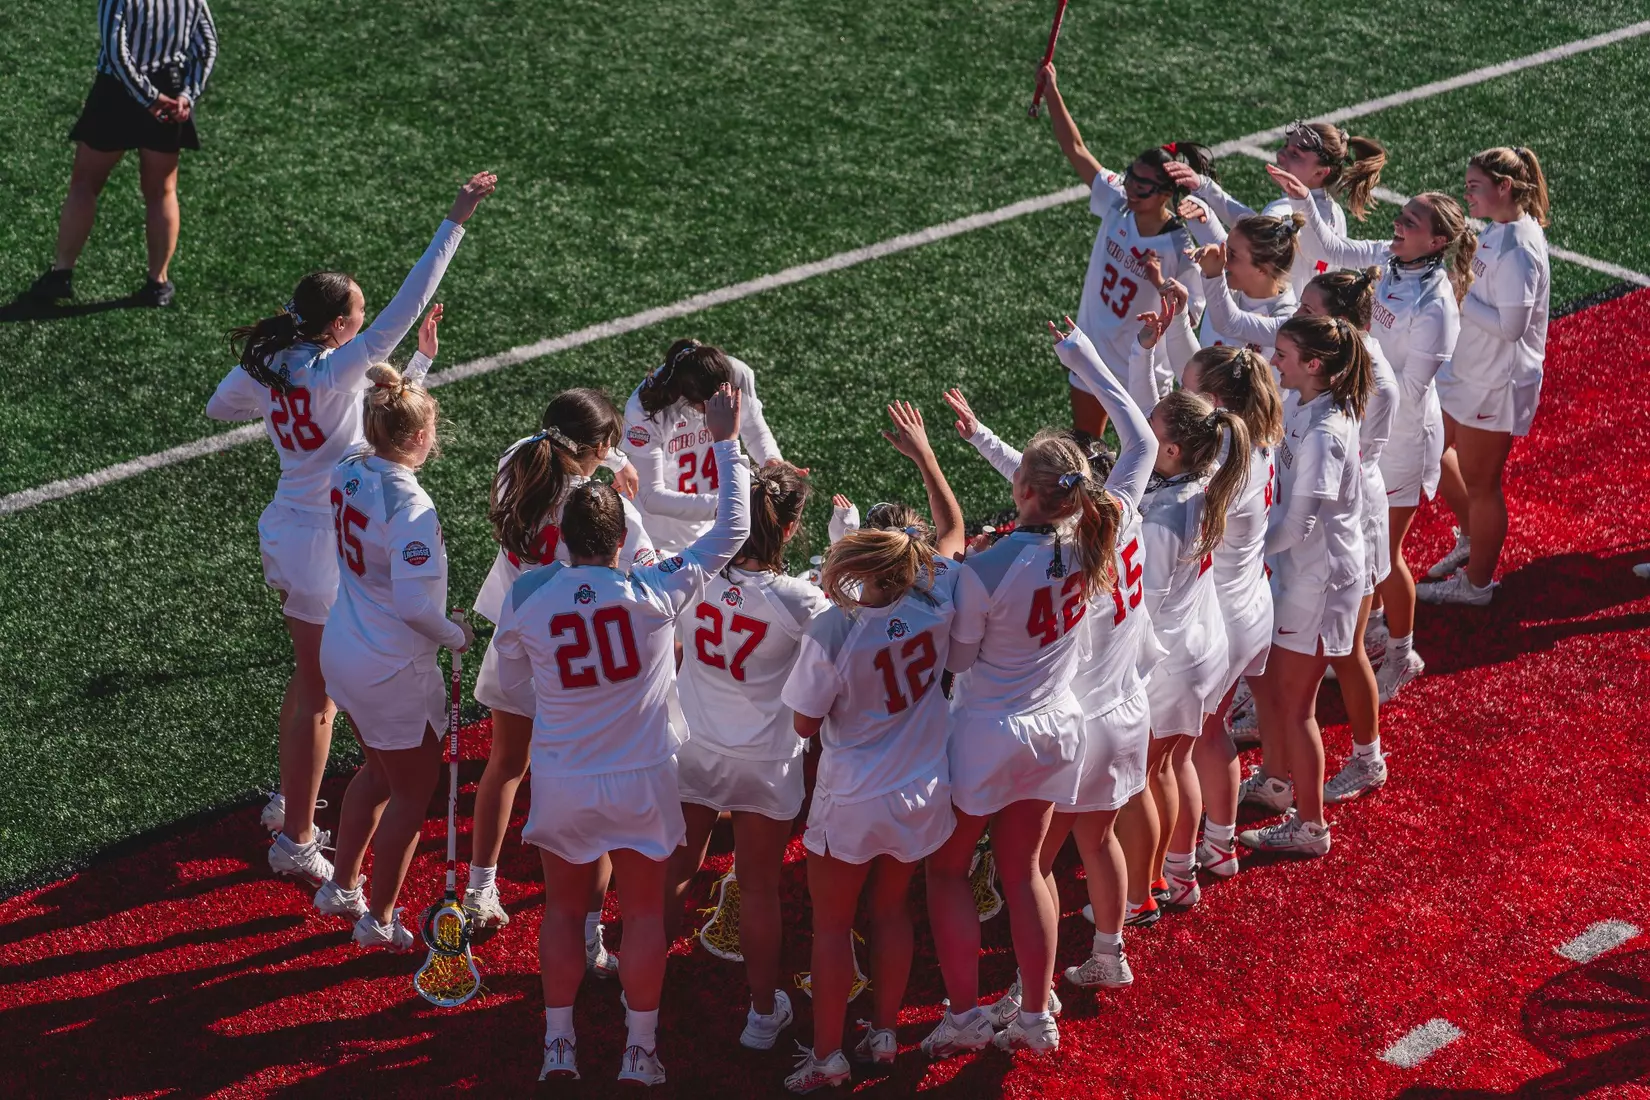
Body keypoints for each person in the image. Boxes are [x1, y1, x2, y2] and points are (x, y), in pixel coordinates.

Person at [205, 172, 494, 887]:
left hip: (297, 525)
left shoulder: (281, 367)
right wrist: (455, 219)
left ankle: (292, 804)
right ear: (338, 327)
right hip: (315, 540)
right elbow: (406, 303)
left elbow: (221, 407)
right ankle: (298, 837)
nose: (364, 326)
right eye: (355, 318)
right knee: (318, 689)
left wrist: (285, 387)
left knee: (311, 683)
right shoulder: (334, 368)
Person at [490, 385, 749, 1087]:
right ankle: (639, 1051)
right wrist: (725, 441)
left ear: (565, 536)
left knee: (565, 910)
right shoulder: (654, 588)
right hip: (641, 775)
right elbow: (731, 532)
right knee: (639, 916)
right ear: (621, 537)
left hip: (568, 777)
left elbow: (514, 677)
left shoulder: (528, 595)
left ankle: (559, 1046)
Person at [922, 387, 1123, 1058]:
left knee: (949, 872)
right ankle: (1037, 1018)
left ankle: (963, 1014)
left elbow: (959, 657)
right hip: (1057, 728)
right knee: (1027, 871)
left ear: (1025, 491)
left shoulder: (987, 567)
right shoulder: (1088, 542)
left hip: (988, 730)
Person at [463, 387, 655, 981]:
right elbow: (644, 579)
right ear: (596, 447)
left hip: (517, 638)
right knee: (586, 796)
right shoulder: (608, 512)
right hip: (577, 663)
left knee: (504, 766)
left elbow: (548, 445)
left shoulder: (517, 464)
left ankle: (479, 889)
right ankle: (590, 937)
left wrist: (610, 462)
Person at [780, 517, 973, 1091]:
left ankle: (826, 1057)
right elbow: (953, 542)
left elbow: (803, 722)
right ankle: (885, 1033)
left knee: (832, 928)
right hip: (921, 786)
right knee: (891, 910)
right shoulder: (940, 595)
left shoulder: (833, 628)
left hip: (855, 797)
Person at [1270, 162, 1473, 702]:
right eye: (1402, 216)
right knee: (1368, 550)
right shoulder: (1392, 259)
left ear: (1438, 241)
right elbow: (1335, 248)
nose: (1398, 226)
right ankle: (1373, 630)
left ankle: (1401, 651)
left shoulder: (1436, 305)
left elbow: (1408, 391)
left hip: (1400, 439)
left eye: (1410, 222)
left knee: (1386, 554)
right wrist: (1307, 200)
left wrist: (1347, 400)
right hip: (1369, 423)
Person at [309, 364, 474, 949]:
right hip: (390, 667)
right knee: (409, 791)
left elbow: (378, 421)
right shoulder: (413, 508)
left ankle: (342, 887)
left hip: (345, 649)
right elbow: (413, 605)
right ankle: (378, 920)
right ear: (421, 437)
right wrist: (455, 635)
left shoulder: (349, 466)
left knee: (377, 774)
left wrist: (417, 370)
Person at [663, 458, 824, 1054]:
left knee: (674, 873)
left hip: (694, 749)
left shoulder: (693, 574)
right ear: (787, 528)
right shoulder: (801, 600)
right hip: (765, 763)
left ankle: (641, 993)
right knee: (757, 888)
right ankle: (761, 1015)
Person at [1239, 315, 1372, 858]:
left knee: (1297, 706)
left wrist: (1242, 552)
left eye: (1285, 355)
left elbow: (1301, 525)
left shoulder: (1324, 434)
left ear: (1314, 366)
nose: (1276, 363)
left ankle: (1311, 826)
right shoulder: (1304, 405)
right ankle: (1275, 781)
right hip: (1299, 573)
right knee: (1270, 685)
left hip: (1316, 582)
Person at [1032, 60, 1213, 436]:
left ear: (1166, 193)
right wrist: (1052, 91)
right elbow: (1076, 149)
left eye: (1143, 186)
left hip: (1144, 371)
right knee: (1085, 447)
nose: (1131, 188)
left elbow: (1189, 318)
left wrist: (1162, 282)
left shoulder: (1180, 247)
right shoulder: (1118, 202)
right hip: (1094, 357)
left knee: (1147, 465)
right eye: (1131, 177)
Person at [1423, 146, 1552, 606]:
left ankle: (1477, 586)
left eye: (1475, 186)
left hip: (1493, 381)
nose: (1467, 193)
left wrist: (1459, 297)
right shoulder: (1501, 229)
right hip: (1468, 370)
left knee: (1482, 484)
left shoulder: (1518, 250)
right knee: (1430, 449)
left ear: (1504, 187)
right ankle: (1472, 538)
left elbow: (1511, 327)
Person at [30, 0, 220, 307]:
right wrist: (187, 94)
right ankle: (158, 283)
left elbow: (117, 51)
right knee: (162, 191)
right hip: (170, 92)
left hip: (116, 94)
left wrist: (148, 97)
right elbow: (208, 45)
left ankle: (61, 274)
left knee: (84, 184)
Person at [1179, 345, 1283, 883]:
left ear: (1214, 402)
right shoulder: (1254, 437)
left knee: (1190, 745)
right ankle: (1219, 844)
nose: (1177, 395)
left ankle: (1180, 865)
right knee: (1211, 733)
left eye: (1185, 388)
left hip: (1222, 618)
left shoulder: (1221, 460)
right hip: (1250, 605)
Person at [1298, 269, 1401, 804]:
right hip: (1341, 512)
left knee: (1345, 650)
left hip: (1349, 519)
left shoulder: (1368, 378)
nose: (1299, 315)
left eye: (1309, 310)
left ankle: (1368, 758)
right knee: (1329, 646)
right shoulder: (1346, 361)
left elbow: (1341, 459)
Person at [1167, 120, 1386, 298]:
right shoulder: (1336, 213)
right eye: (1285, 147)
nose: (1281, 156)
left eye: (1295, 155)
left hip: (1276, 320)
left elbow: (1252, 230)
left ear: (1320, 173)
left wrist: (1205, 189)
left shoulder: (1287, 210)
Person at [618, 340, 784, 554]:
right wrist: (727, 505)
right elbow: (650, 497)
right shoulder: (645, 409)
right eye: (710, 405)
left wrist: (772, 459)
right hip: (658, 536)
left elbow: (754, 427)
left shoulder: (738, 375)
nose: (717, 410)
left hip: (714, 525)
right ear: (687, 397)